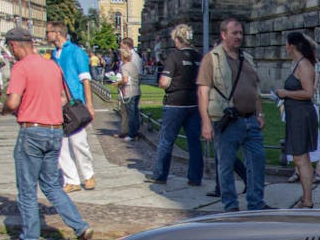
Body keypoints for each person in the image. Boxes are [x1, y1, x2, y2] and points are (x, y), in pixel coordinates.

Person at [0, 27, 93, 240]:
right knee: (52, 185)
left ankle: (29, 239)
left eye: (9, 49)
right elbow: (62, 98)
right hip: (55, 130)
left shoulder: (21, 67)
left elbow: (12, 103)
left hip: (32, 130)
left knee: (27, 187)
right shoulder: (52, 65)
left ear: (14, 45)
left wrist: (5, 110)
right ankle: (80, 227)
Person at [198, 18, 267, 211]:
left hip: (250, 119)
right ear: (223, 35)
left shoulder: (247, 58)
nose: (239, 37)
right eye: (234, 33)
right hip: (227, 120)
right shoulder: (212, 59)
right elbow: (203, 91)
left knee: (257, 162)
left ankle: (256, 203)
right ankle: (230, 206)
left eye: (240, 33)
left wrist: (260, 113)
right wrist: (205, 122)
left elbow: (256, 88)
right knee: (226, 165)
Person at [148, 24, 204, 187]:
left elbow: (164, 82)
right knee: (194, 142)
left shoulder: (174, 57)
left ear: (178, 40)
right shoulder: (199, 57)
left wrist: (162, 83)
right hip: (193, 103)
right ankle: (195, 177)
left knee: (166, 140)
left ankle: (160, 175)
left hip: (175, 103)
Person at [46, 21, 96, 193]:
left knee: (79, 142)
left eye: (48, 32)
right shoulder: (53, 55)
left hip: (75, 103)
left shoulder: (76, 52)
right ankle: (71, 179)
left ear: (57, 33)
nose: (47, 35)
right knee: (61, 144)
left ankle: (88, 175)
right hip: (56, 104)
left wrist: (89, 104)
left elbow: (86, 79)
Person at [274, 31, 320, 209]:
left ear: (291, 46)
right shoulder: (297, 64)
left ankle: (307, 200)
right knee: (301, 158)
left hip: (302, 115)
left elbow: (309, 93)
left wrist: (286, 93)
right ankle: (306, 198)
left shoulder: (305, 65)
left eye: (286, 44)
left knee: (301, 158)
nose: (285, 48)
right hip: (296, 114)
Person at [114, 46, 141, 141]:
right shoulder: (133, 65)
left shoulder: (124, 67)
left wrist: (118, 83)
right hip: (136, 90)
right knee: (135, 112)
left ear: (122, 56)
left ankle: (132, 134)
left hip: (129, 92)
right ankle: (135, 132)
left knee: (131, 114)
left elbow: (125, 80)